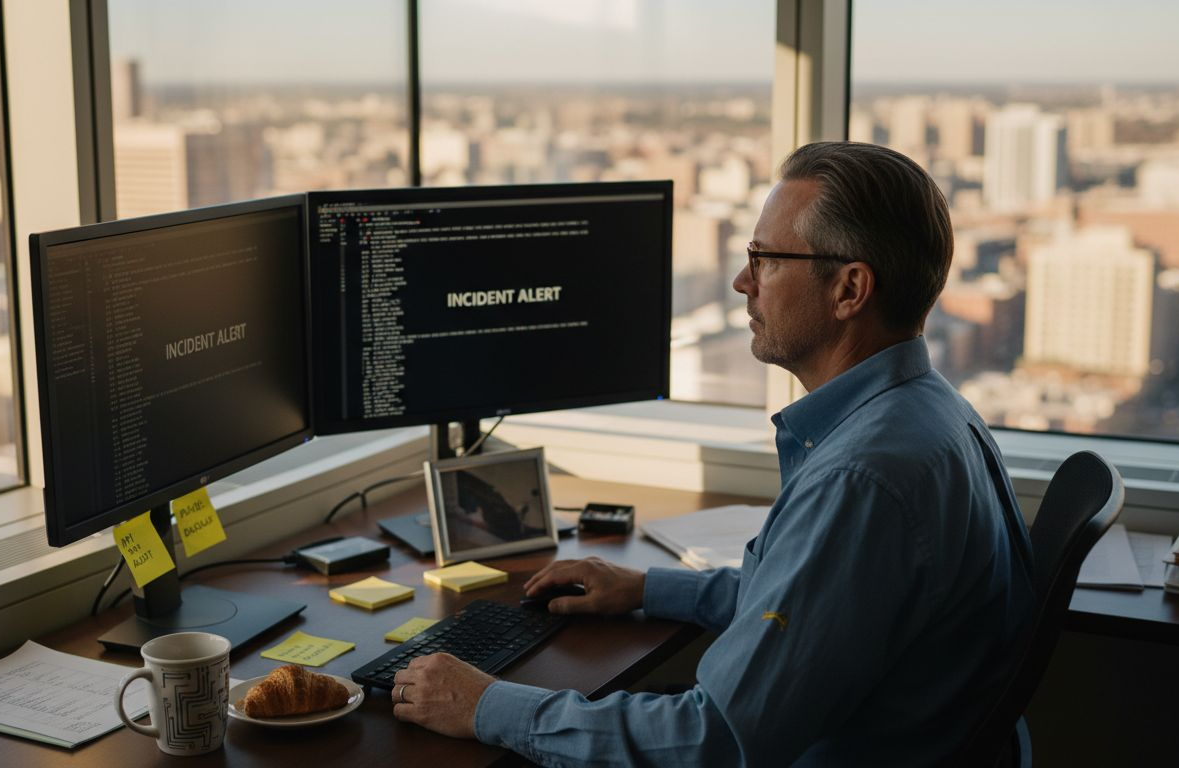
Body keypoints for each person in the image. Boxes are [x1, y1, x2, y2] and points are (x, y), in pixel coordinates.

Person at [389, 141, 1037, 766]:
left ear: (849, 290)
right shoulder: (930, 410)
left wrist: (486, 705)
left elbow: (713, 742)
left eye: (766, 260)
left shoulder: (860, 479)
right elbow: (821, 606)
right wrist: (649, 588)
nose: (740, 282)